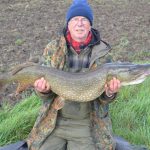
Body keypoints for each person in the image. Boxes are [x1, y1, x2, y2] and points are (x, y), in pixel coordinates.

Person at [27, 0, 121, 150]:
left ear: (90, 24)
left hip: (86, 123)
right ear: (68, 24)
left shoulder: (103, 54)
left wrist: (109, 93)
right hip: (55, 120)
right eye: (75, 19)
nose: (80, 23)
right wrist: (42, 90)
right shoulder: (53, 48)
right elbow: (44, 95)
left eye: (84, 19)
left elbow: (104, 100)